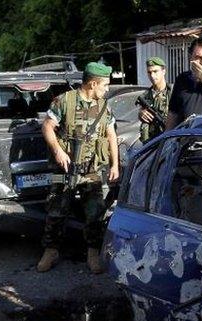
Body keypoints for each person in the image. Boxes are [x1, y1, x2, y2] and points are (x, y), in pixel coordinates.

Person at [37, 62, 120, 274]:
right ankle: (51, 251)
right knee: (56, 210)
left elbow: (111, 136)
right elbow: (47, 126)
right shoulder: (65, 100)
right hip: (64, 169)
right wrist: (58, 151)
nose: (107, 89)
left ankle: (93, 253)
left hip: (91, 170)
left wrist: (115, 164)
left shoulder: (103, 106)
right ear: (92, 83)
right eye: (105, 85)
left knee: (95, 213)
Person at [139, 57, 172, 143]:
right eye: (149, 72)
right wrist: (141, 114)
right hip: (151, 143)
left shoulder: (173, 92)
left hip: (169, 141)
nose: (152, 76)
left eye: (155, 71)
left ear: (164, 71)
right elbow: (143, 115)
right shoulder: (145, 96)